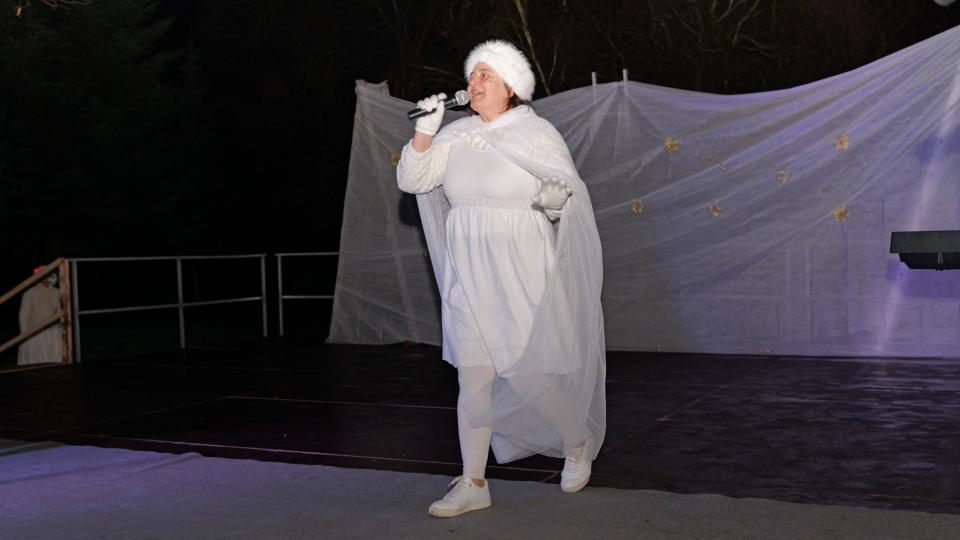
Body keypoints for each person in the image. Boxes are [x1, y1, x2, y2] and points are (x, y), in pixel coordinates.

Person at [396, 39, 606, 518]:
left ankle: (577, 440)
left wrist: (555, 203)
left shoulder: (535, 132)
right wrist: (425, 133)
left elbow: (569, 198)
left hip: (518, 266)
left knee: (525, 372)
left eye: (486, 74)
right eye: (472, 74)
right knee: (473, 375)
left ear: (511, 88)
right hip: (467, 267)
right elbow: (413, 180)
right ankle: (473, 481)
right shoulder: (456, 134)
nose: (475, 81)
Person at [18, 271, 63, 366]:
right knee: (35, 360)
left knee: (53, 359)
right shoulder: (29, 293)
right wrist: (24, 334)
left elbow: (60, 311)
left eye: (48, 275)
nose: (46, 278)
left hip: (53, 332)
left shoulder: (57, 292)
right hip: (35, 332)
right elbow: (24, 315)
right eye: (43, 276)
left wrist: (61, 328)